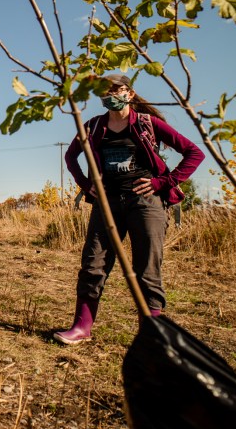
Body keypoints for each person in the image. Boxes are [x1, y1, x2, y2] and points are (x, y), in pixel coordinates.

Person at [54, 74, 205, 345]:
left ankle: (152, 335)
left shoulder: (148, 124)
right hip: (107, 204)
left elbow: (194, 153)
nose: (110, 94)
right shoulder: (94, 126)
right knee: (93, 264)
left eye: (116, 89)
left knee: (147, 268)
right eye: (105, 91)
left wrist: (164, 182)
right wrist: (85, 184)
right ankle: (81, 327)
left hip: (146, 205)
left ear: (129, 94)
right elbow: (70, 155)